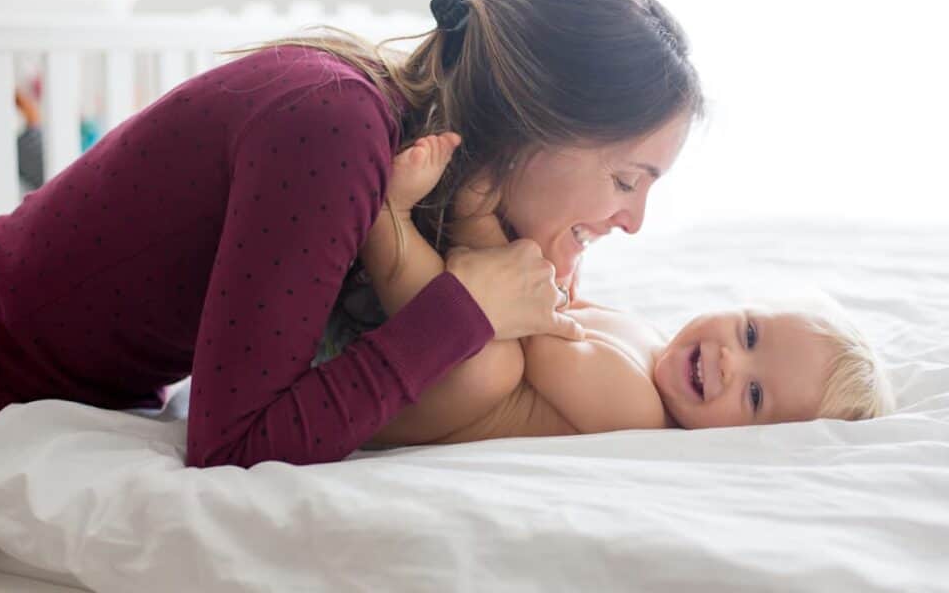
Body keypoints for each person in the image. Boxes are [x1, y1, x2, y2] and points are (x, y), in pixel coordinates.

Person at [0, 0, 702, 475]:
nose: (632, 219)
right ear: (534, 128)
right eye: (626, 180)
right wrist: (460, 313)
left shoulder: (395, 153)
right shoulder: (335, 126)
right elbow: (231, 447)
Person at [362, 134, 896, 446]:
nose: (729, 361)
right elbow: (569, 307)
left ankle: (393, 217)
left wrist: (489, 234)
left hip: (428, 410)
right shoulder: (649, 338)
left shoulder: (639, 411)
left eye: (754, 395)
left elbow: (543, 342)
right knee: (494, 329)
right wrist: (561, 278)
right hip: (442, 362)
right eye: (750, 333)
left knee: (493, 364)